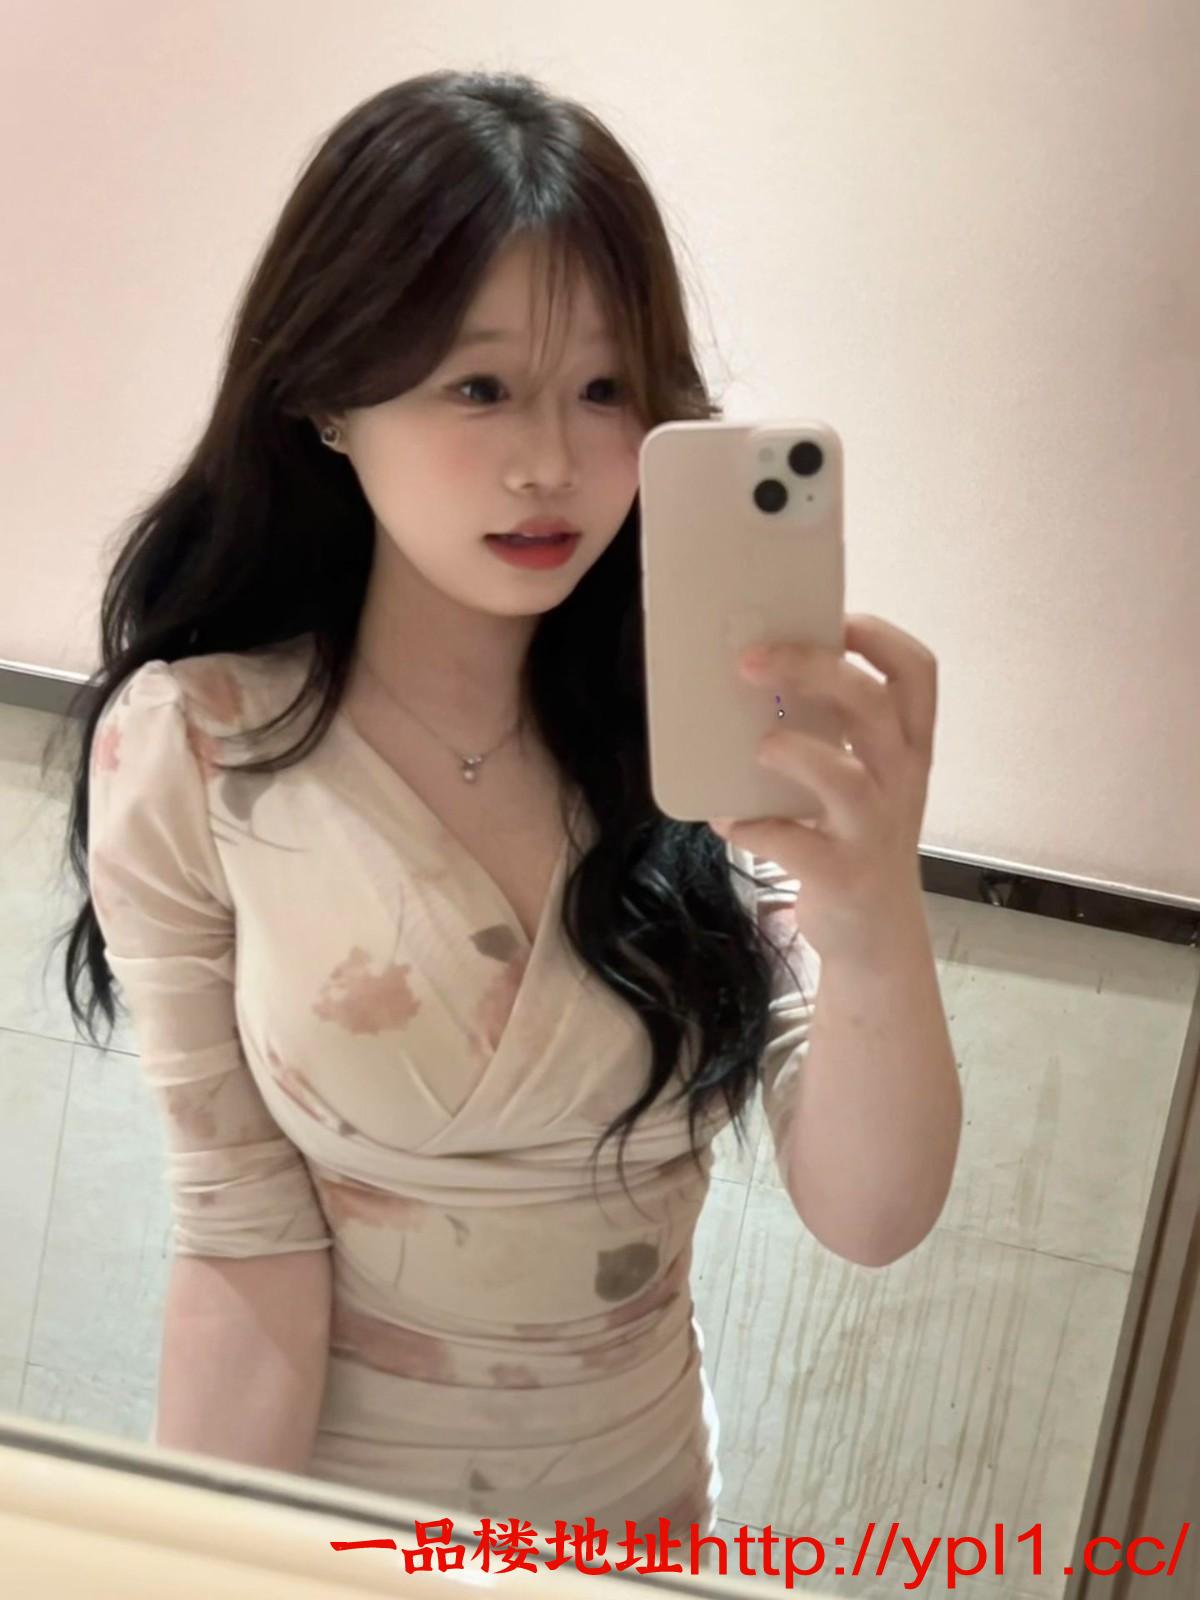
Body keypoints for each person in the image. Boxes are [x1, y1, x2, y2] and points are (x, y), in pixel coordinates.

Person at [55, 68, 816, 1565]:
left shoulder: (705, 745)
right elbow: (245, 1242)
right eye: (479, 388)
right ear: (327, 397)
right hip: (345, 1545)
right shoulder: (198, 747)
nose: (551, 463)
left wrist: (870, 888)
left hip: (646, 1534)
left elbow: (872, 1212)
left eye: (605, 389)